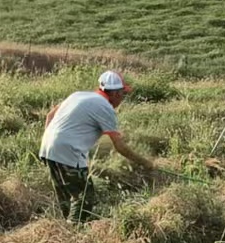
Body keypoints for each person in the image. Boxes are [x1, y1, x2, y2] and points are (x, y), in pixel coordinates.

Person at [38, 69, 157, 220]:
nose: (123, 98)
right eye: (123, 94)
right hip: (69, 151)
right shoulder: (105, 107)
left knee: (67, 196)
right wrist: (145, 163)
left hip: (47, 148)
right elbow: (120, 147)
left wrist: (51, 141)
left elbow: (50, 116)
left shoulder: (78, 95)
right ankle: (75, 230)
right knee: (85, 198)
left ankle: (67, 227)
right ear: (115, 94)